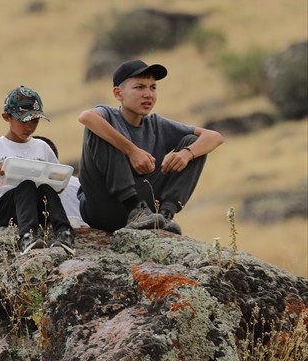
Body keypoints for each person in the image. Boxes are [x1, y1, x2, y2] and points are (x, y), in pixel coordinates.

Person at [77, 60, 224, 234]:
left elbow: (214, 137)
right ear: (118, 93)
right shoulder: (107, 115)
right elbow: (86, 117)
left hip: (149, 212)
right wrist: (131, 151)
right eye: (139, 87)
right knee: (100, 130)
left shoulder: (157, 124)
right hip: (102, 209)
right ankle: (134, 209)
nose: (148, 94)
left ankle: (166, 215)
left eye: (153, 88)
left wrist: (186, 153)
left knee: (193, 141)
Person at [0, 87, 76, 254]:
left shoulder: (42, 147)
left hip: (38, 209)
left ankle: (64, 232)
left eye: (34, 121)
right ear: (7, 117)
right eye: (23, 121)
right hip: (7, 211)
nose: (29, 127)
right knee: (26, 185)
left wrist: (57, 180)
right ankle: (27, 236)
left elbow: (59, 187)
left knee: (44, 188)